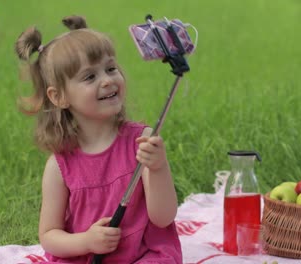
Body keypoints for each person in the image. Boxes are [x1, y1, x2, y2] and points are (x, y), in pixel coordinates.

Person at [15, 15, 182, 263]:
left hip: (143, 254)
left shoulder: (142, 141)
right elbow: (49, 235)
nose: (107, 80)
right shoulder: (59, 166)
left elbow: (164, 217)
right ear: (59, 96)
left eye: (111, 68)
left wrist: (158, 167)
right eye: (89, 77)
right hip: (87, 257)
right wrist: (86, 241)